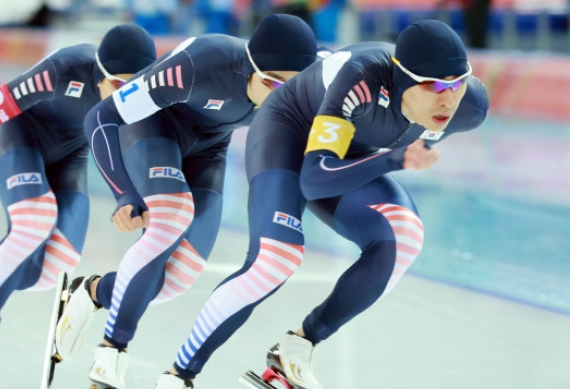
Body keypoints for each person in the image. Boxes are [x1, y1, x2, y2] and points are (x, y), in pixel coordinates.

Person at [156, 19, 489, 388]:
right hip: (288, 135)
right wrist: (394, 159)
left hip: (345, 151)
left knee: (404, 236)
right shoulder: (360, 80)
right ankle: (178, 376)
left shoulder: (468, 107)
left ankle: (296, 347)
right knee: (274, 261)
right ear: (401, 79)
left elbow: (346, 161)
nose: (449, 99)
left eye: (458, 84)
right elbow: (314, 179)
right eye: (436, 86)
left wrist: (391, 156)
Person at [52, 14, 318, 389]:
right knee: (173, 218)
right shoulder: (199, 64)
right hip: (153, 130)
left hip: (210, 148)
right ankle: (109, 356)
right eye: (272, 83)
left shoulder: (314, 77)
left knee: (178, 278)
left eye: (292, 89)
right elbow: (101, 117)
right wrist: (124, 193)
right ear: (251, 67)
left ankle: (92, 292)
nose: (281, 96)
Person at [0, 24, 156, 381]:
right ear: (99, 72)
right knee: (34, 221)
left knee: (52, 268)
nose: (123, 98)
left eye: (134, 89)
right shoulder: (61, 71)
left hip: (70, 155)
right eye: (117, 85)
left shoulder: (145, 92)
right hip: (17, 136)